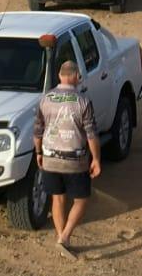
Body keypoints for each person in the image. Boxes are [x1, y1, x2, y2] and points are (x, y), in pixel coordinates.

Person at [33, 59, 102, 255]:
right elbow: (91, 134)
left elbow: (37, 131)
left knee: (57, 198)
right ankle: (65, 236)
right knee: (81, 200)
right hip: (75, 160)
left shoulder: (45, 99)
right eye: (78, 76)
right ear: (74, 76)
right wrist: (96, 159)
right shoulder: (83, 101)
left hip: (50, 158)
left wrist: (38, 153)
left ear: (59, 76)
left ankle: (60, 237)